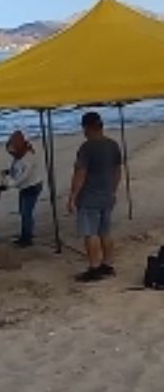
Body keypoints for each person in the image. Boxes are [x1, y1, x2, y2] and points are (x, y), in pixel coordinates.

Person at [67, 111, 122, 283]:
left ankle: (95, 267)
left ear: (88, 127)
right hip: (106, 194)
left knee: (90, 233)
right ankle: (107, 263)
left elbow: (80, 174)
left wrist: (73, 196)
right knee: (105, 231)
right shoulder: (113, 145)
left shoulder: (87, 147)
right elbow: (117, 171)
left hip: (90, 196)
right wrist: (112, 191)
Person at [4, 130, 44, 247]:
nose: (12, 154)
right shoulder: (19, 155)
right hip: (25, 187)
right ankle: (26, 233)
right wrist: (9, 173)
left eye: (13, 152)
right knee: (23, 211)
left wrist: (8, 185)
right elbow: (15, 169)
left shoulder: (28, 159)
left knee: (26, 212)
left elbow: (22, 178)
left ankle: (27, 238)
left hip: (32, 187)